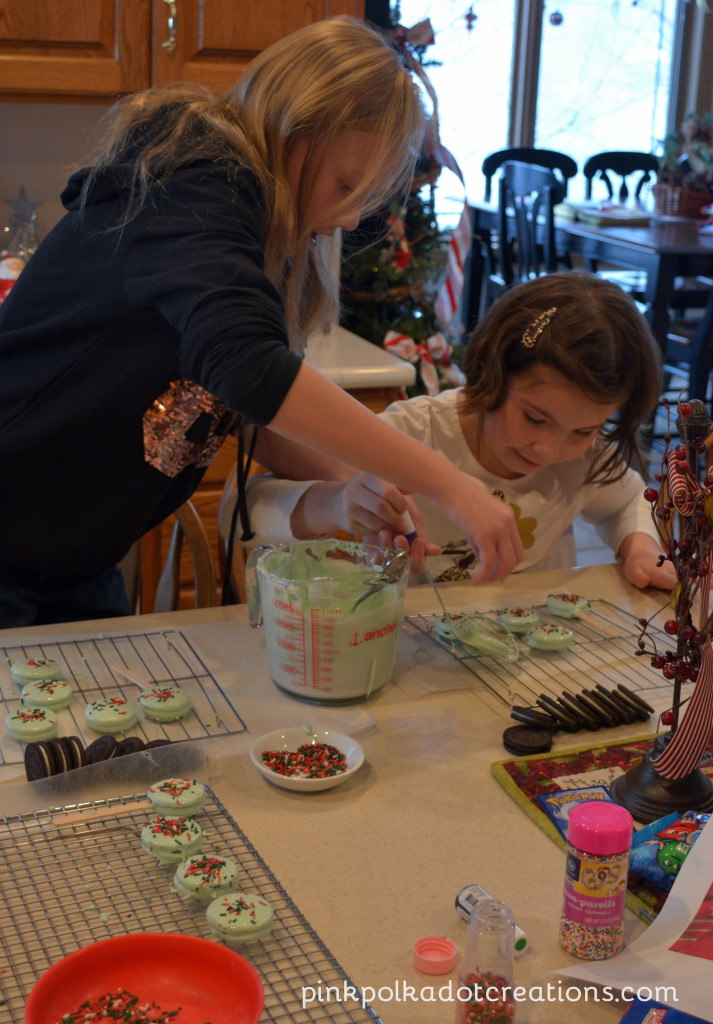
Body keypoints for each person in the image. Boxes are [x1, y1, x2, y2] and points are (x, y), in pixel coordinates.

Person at [0, 16, 525, 628]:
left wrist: (359, 487)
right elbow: (251, 370)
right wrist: (449, 485)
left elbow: (245, 410)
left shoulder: (244, 224)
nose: (351, 220)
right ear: (296, 131)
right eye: (347, 184)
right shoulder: (197, 184)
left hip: (71, 562)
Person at [226, 271, 675, 591]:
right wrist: (336, 503)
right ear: (492, 372)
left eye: (582, 430)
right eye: (535, 418)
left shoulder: (586, 457)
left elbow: (629, 501)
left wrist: (638, 546)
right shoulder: (411, 434)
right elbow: (237, 514)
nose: (550, 447)